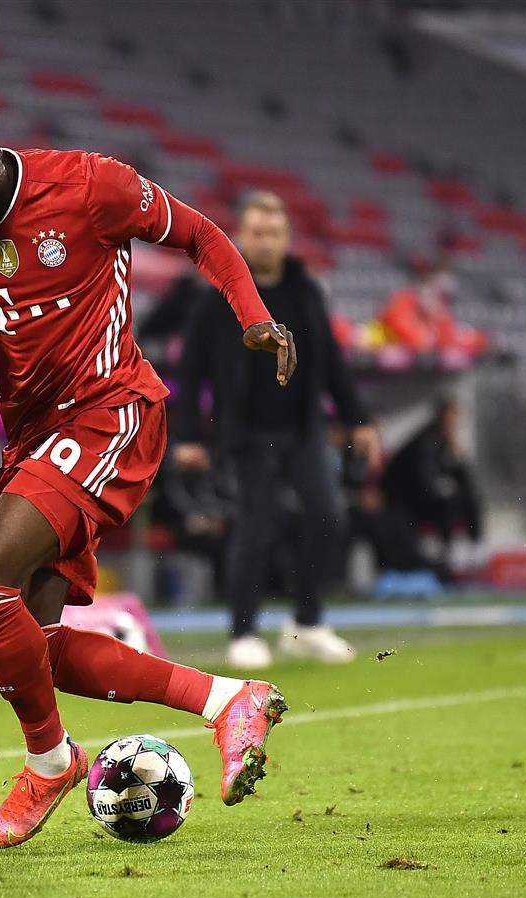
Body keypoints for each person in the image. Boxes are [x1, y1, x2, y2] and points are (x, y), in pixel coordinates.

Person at [0, 79, 295, 849]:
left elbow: (201, 236)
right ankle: (229, 700)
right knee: (36, 645)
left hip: (111, 412)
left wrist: (252, 318)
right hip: (35, 441)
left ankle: (49, 760)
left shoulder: (91, 186)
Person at [173, 191, 380, 669]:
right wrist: (187, 436)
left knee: (329, 516)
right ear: (242, 236)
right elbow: (190, 372)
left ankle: (307, 624)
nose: (266, 242)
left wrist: (359, 419)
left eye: (274, 233)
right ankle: (243, 632)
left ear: (287, 239)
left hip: (303, 429)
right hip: (247, 434)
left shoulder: (306, 292)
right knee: (256, 528)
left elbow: (331, 361)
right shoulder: (217, 295)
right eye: (257, 232)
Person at [381, 397, 482, 577]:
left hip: (426, 498)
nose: (453, 423)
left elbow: (465, 483)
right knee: (449, 501)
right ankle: (449, 553)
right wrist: (446, 487)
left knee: (471, 499)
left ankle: (475, 548)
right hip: (405, 502)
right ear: (440, 417)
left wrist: (458, 460)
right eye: (450, 418)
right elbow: (424, 480)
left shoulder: (446, 442)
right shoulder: (426, 440)